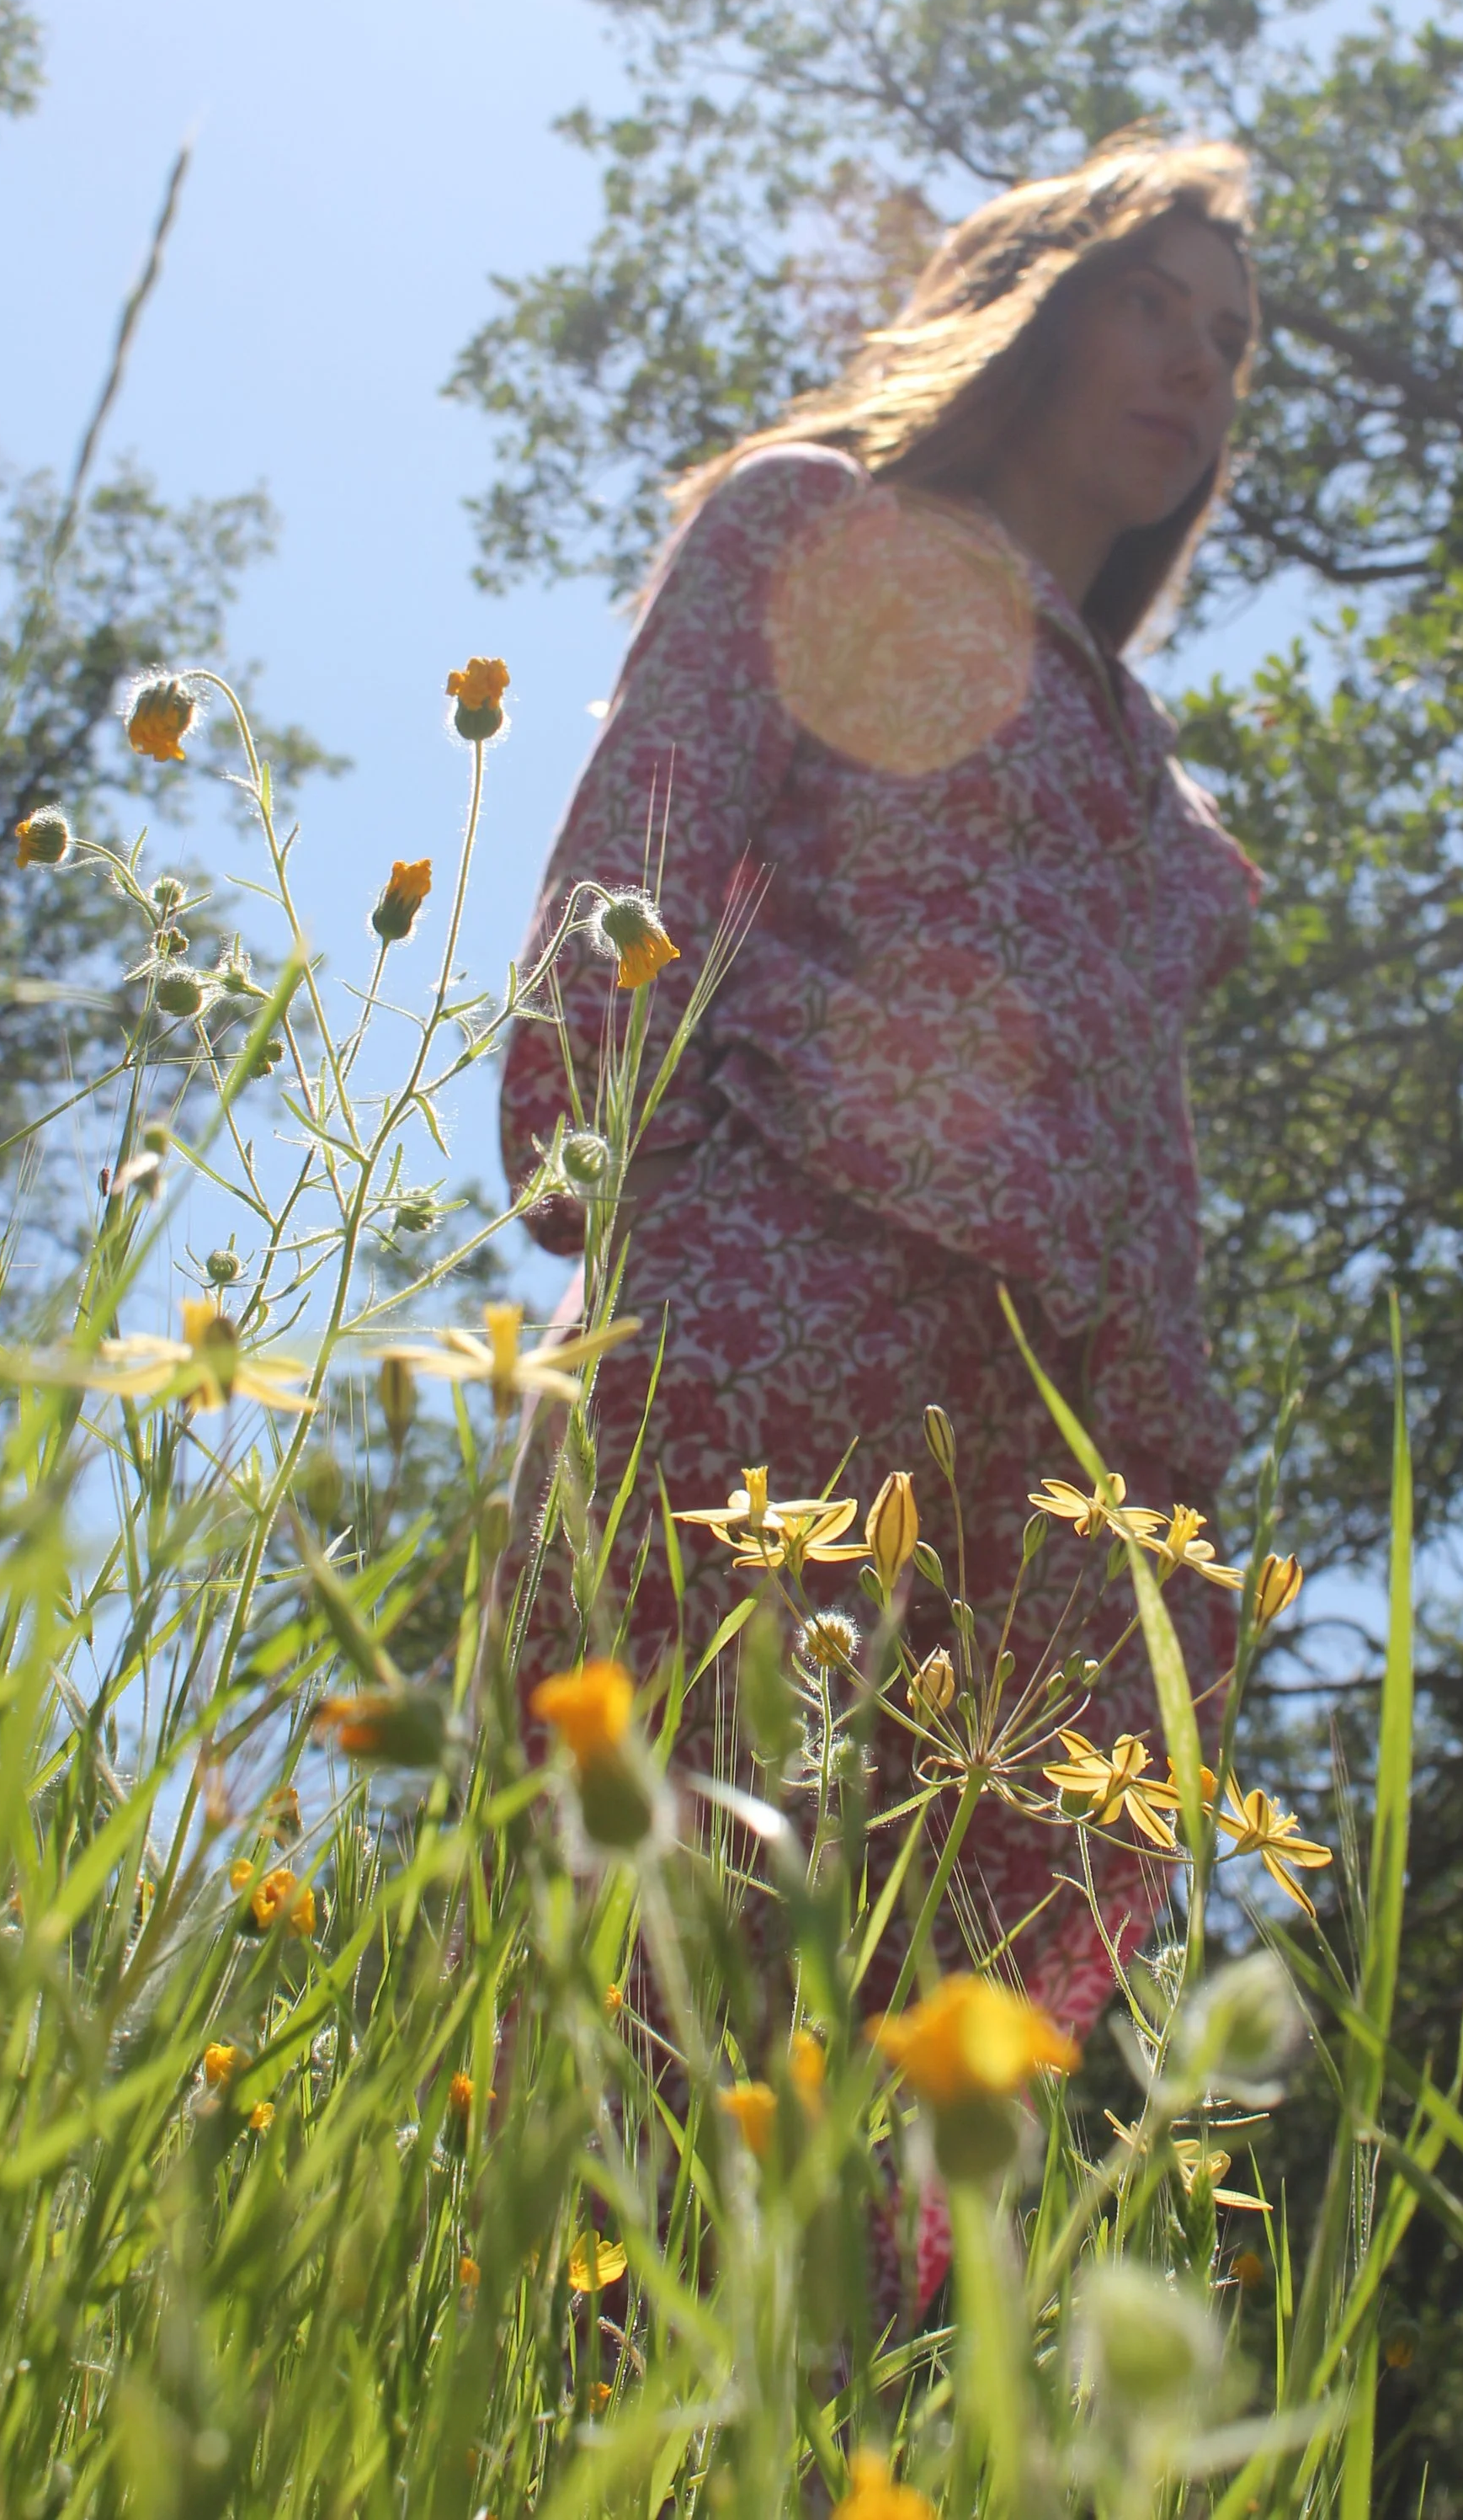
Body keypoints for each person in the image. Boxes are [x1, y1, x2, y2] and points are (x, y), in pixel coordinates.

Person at [499, 129, 1262, 2050]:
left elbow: (1137, 1149)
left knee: (915, 2087)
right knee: (639, 1976)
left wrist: (1169, 1485)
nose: (1194, 364)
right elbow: (633, 873)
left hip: (1085, 1476)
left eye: (1231, 343)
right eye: (1148, 308)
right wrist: (649, 1230)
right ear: (1033, 315)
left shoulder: (1168, 811)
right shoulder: (818, 529)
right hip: (779, 1332)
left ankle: (801, 2366)